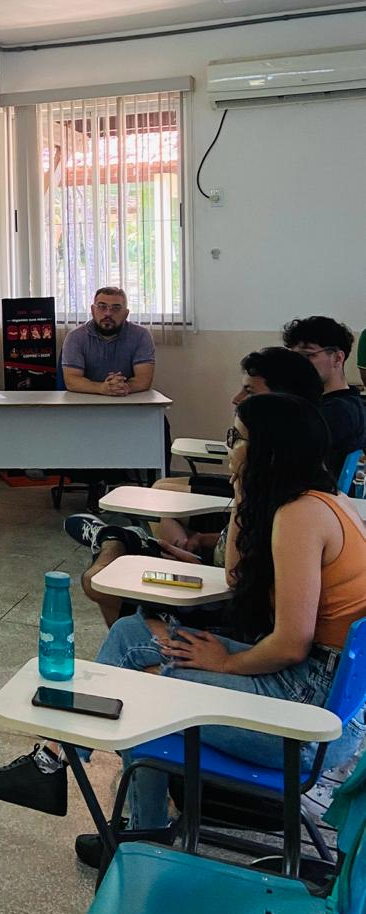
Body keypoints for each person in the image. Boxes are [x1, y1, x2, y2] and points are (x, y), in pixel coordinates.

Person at [69, 392, 366, 866]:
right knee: (130, 634)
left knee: (149, 691)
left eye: (238, 439)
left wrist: (227, 663)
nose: (230, 449)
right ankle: (60, 763)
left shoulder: (300, 516)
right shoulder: (318, 502)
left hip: (306, 715)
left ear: (268, 449)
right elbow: (235, 578)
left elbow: (291, 643)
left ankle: (144, 839)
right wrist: (243, 495)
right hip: (316, 692)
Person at [67, 348, 324, 627]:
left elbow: (241, 583)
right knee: (113, 565)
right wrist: (203, 544)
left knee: (102, 582)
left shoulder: (291, 504)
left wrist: (238, 495)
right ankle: (116, 539)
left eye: (236, 439)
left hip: (221, 603)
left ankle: (111, 541)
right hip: (215, 576)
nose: (236, 399)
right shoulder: (279, 482)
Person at [59, 287, 158, 507]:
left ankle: (160, 491)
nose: (108, 313)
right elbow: (72, 380)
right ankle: (98, 486)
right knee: (94, 430)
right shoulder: (75, 337)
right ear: (93, 310)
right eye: (102, 307)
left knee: (160, 428)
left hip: (128, 406)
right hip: (87, 409)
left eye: (115, 308)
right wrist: (102, 388)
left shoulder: (141, 336)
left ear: (126, 313)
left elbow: (143, 380)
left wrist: (121, 387)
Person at [282, 316, 366, 479]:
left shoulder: (336, 411)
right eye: (294, 357)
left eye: (308, 355)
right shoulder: (349, 403)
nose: (297, 365)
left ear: (338, 358)